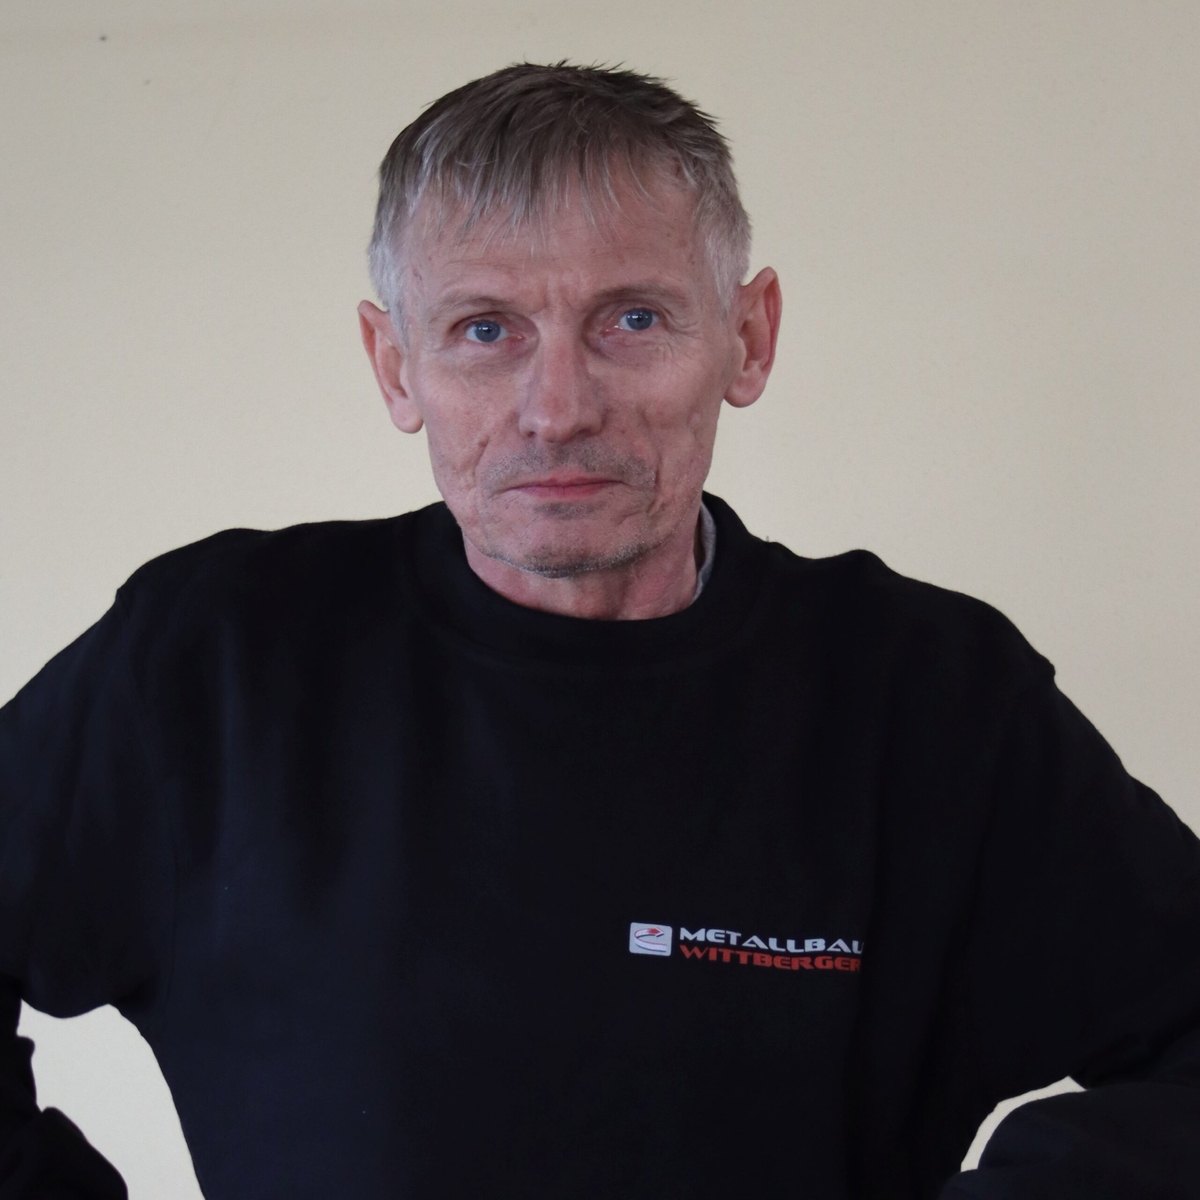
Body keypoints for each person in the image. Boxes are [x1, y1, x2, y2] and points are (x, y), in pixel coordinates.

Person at [0, 61, 1197, 1200]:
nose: (559, 409)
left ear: (749, 338)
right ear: (394, 364)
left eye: (631, 319)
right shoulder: (217, 662)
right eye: (485, 329)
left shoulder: (935, 699)